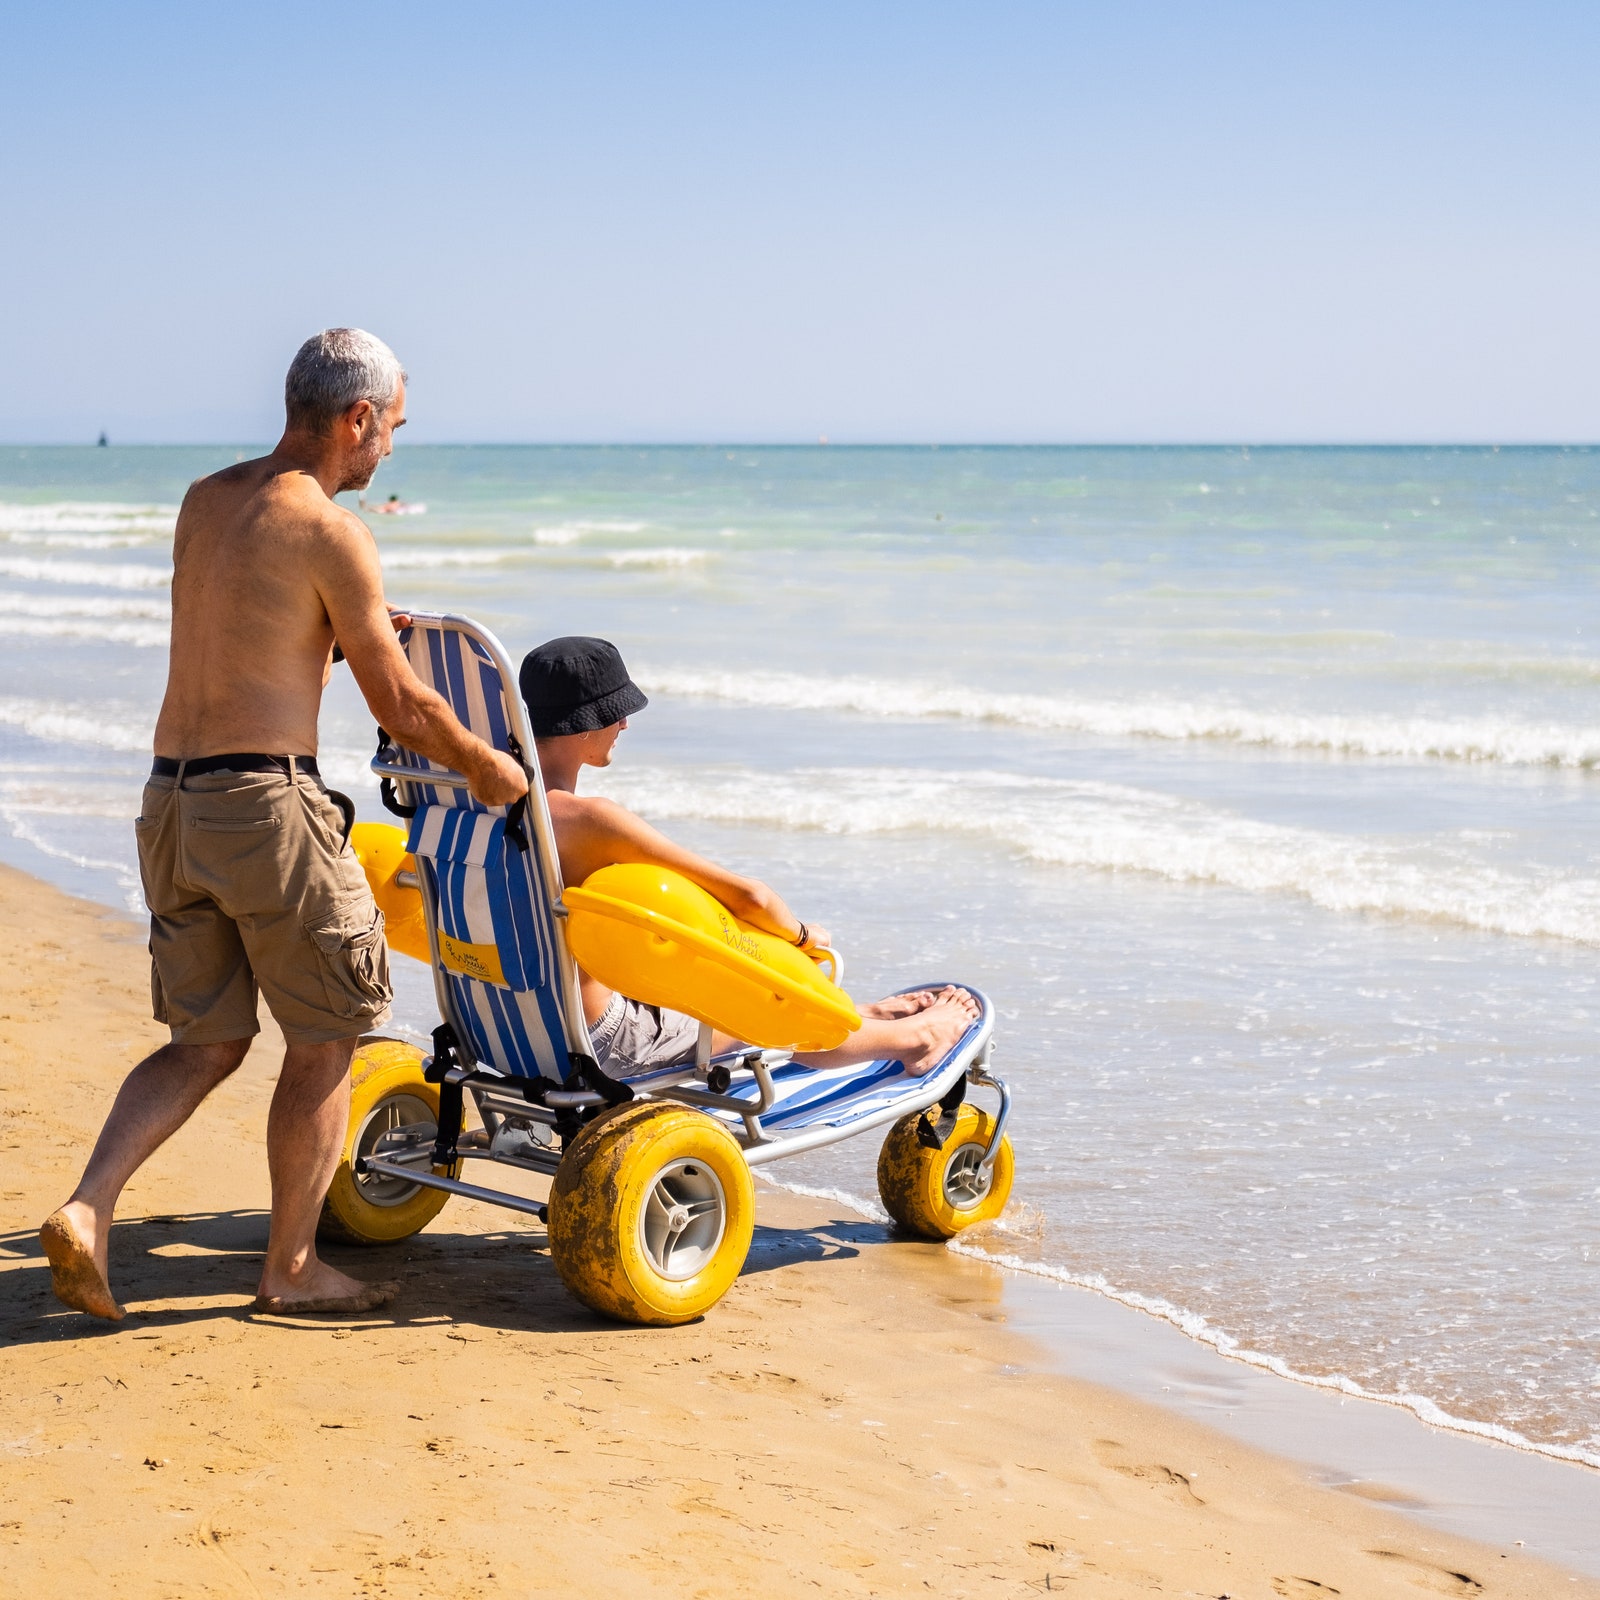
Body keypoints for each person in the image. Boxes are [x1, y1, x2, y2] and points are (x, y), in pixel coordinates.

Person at [39, 329, 528, 1322]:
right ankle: (291, 1267)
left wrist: (343, 635)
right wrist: (491, 769)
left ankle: (88, 1209)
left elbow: (249, 632)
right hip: (264, 808)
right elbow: (399, 703)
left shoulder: (207, 501)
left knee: (206, 1041)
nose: (388, 446)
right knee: (331, 1032)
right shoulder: (334, 532)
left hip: (172, 802)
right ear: (354, 418)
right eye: (389, 426)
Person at [519, 636, 979, 1078]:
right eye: (615, 715)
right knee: (766, 1005)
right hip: (605, 1041)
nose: (624, 726)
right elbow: (750, 898)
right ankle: (916, 1039)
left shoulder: (471, 810)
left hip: (506, 1027)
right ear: (582, 726)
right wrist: (802, 936)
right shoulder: (590, 821)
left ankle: (864, 1016)